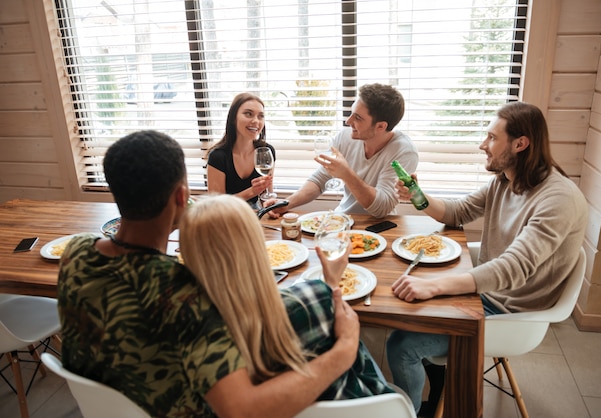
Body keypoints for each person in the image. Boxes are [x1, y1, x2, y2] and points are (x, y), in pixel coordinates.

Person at [57, 130, 362, 418]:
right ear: (181, 196)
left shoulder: (76, 252)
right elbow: (242, 411)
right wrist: (344, 351)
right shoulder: (183, 294)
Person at [386, 101, 588, 417]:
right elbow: (459, 211)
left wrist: (437, 287)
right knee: (403, 312)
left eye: (492, 138)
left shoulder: (558, 199)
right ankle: (433, 389)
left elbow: (515, 267)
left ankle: (407, 412)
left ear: (520, 144)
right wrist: (417, 194)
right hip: (485, 293)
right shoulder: (505, 180)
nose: (483, 145)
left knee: (402, 344)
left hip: (511, 313)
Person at [179, 193, 395, 399]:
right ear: (257, 248)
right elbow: (372, 385)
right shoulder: (308, 299)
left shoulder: (193, 330)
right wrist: (330, 287)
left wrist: (328, 286)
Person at [266, 83, 418, 218]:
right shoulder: (347, 136)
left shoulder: (404, 152)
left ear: (380, 126)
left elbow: (382, 207)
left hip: (379, 227)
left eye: (358, 118)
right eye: (351, 113)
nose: (348, 121)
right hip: (343, 220)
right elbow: (320, 179)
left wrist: (346, 174)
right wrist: (286, 203)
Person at [207, 92, 275, 210]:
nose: (256, 121)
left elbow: (267, 195)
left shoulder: (266, 152)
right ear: (233, 118)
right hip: (227, 218)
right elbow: (215, 207)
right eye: (248, 114)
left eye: (260, 116)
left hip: (255, 215)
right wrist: (252, 192)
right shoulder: (218, 157)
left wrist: (270, 207)